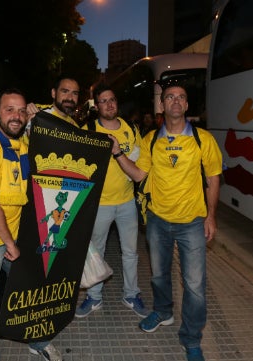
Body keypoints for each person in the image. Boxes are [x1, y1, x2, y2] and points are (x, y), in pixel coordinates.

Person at [110, 84, 222, 361]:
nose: (175, 101)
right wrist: (117, 153)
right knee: (159, 275)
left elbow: (213, 179)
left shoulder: (203, 139)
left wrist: (211, 216)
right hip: (158, 220)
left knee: (194, 285)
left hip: (192, 223)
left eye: (181, 97)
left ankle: (192, 338)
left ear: (186, 105)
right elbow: (138, 176)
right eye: (169, 96)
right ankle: (163, 312)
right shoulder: (150, 140)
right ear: (162, 105)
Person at [0, 88, 63, 361]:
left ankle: (38, 341)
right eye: (9, 110)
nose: (17, 116)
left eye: (21, 110)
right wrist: (11, 244)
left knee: (29, 291)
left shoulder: (20, 142)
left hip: (14, 235)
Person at [75, 83, 149, 319]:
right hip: (100, 204)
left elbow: (138, 166)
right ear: (96, 106)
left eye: (112, 100)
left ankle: (131, 293)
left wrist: (119, 153)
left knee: (130, 252)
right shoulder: (88, 129)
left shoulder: (131, 129)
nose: (109, 104)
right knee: (97, 251)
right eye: (103, 101)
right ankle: (94, 297)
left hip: (127, 202)